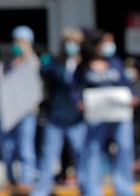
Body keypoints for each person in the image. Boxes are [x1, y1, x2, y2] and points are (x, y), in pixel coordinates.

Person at [73, 29, 138, 196]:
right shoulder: (83, 67)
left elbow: (127, 85)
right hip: (96, 117)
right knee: (93, 152)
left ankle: (123, 189)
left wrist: (133, 97)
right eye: (106, 42)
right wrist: (79, 103)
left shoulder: (116, 62)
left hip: (119, 116)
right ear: (95, 46)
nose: (110, 46)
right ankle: (92, 190)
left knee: (124, 148)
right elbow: (74, 90)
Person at [30, 27, 86, 196]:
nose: (71, 45)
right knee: (48, 157)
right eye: (69, 42)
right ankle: (41, 191)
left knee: (81, 156)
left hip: (77, 119)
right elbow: (41, 72)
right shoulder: (55, 62)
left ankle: (88, 189)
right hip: (56, 116)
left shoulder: (84, 65)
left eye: (75, 42)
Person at [0, 25, 41, 194]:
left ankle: (27, 178)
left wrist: (27, 52)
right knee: (7, 147)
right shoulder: (4, 62)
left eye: (22, 41)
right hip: (8, 111)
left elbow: (35, 70)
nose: (18, 44)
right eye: (16, 41)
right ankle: (10, 177)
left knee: (25, 145)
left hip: (27, 111)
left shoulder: (32, 60)